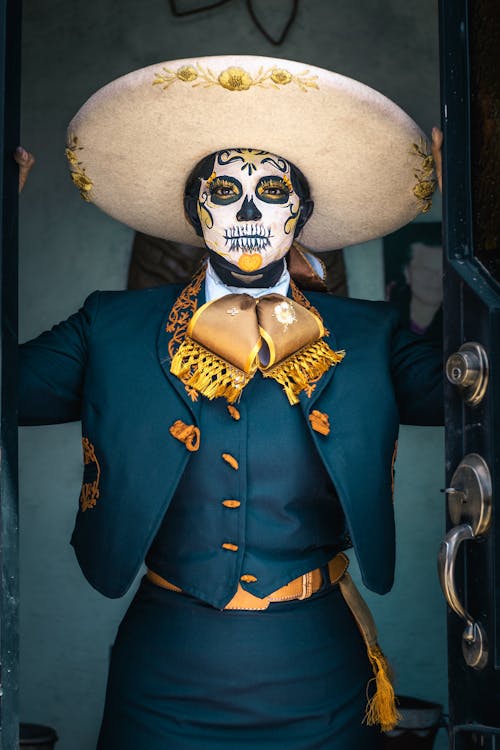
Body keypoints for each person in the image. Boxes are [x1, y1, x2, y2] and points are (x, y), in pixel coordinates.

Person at [17, 56, 443, 749]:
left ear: (299, 213)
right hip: (166, 672)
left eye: (272, 190)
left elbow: (475, 385)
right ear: (196, 212)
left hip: (321, 670)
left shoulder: (371, 336)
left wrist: (480, 229)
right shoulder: (111, 326)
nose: (248, 212)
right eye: (223, 190)